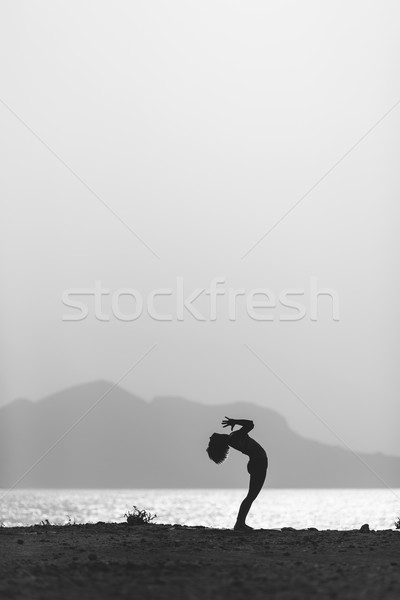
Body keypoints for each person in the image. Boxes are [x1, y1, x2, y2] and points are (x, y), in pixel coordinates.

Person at [206, 417, 268, 531]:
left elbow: (249, 425)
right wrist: (235, 421)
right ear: (219, 441)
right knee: (251, 496)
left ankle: (240, 523)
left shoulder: (232, 438)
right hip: (258, 463)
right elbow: (250, 424)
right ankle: (239, 523)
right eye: (212, 438)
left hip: (256, 462)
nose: (211, 435)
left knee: (251, 496)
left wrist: (235, 422)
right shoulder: (234, 437)